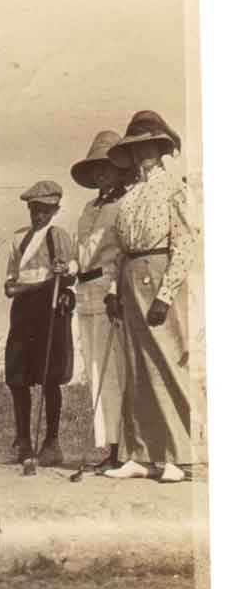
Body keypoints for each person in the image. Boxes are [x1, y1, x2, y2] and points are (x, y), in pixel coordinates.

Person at [103, 110, 196, 484]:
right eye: (136, 148)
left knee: (166, 362)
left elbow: (186, 242)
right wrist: (113, 288)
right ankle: (139, 453)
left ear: (160, 148)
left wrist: (166, 293)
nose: (143, 154)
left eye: (149, 147)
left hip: (158, 274)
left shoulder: (174, 187)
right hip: (129, 276)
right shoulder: (129, 195)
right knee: (136, 365)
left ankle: (178, 454)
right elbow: (117, 249)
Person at [3, 180, 78, 466]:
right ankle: (23, 440)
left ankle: (51, 442)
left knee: (49, 374)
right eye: (34, 209)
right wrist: (18, 287)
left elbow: (71, 269)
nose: (39, 215)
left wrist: (63, 271)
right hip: (23, 309)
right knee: (17, 374)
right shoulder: (18, 238)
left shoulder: (58, 235)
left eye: (45, 210)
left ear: (55, 210)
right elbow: (10, 283)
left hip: (50, 306)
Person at [69, 130, 130, 472]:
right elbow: (83, 252)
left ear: (119, 170)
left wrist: (114, 291)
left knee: (113, 370)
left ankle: (122, 446)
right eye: (96, 170)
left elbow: (121, 252)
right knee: (94, 367)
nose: (101, 176)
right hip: (84, 291)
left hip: (109, 288)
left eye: (106, 168)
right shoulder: (87, 208)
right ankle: (107, 445)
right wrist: (71, 266)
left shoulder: (125, 205)